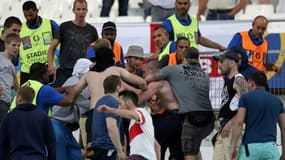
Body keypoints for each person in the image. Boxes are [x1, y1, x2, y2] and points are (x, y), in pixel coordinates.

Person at [145, 47, 215, 160]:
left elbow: (150, 78)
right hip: (209, 119)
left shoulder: (174, 69)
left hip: (192, 118)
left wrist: (140, 83)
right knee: (195, 148)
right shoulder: (204, 75)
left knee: (189, 153)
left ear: (183, 57)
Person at [73, 47, 147, 144]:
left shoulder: (88, 75)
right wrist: (143, 88)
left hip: (94, 113)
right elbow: (141, 82)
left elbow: (74, 92)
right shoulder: (115, 70)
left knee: (93, 149)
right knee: (115, 147)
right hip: (112, 110)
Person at [231, 71, 285, 160]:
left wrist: (233, 147)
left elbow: (239, 122)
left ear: (251, 83)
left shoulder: (246, 98)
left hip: (250, 147)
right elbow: (284, 128)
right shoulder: (277, 101)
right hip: (271, 148)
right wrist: (284, 152)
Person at [48, 0, 98, 87]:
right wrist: (51, 65)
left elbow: (97, 51)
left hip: (84, 71)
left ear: (87, 10)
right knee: (59, 94)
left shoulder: (92, 30)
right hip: (65, 70)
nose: (81, 12)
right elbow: (52, 47)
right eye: (78, 9)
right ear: (73, 10)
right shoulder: (64, 27)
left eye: (83, 9)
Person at [140, 59, 183, 159]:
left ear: (151, 70)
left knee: (153, 144)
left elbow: (138, 99)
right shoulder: (169, 81)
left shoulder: (156, 83)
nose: (143, 75)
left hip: (171, 118)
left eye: (144, 72)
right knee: (176, 152)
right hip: (179, 119)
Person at [97, 90, 160, 160]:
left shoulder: (141, 111)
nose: (119, 107)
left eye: (120, 104)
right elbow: (157, 146)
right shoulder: (135, 123)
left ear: (128, 103)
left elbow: (134, 115)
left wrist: (111, 110)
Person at [51, 58, 93, 160]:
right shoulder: (75, 83)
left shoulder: (75, 80)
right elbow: (85, 103)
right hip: (58, 125)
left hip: (65, 127)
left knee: (76, 155)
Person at [0, 86, 56, 160]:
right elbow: (51, 143)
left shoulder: (9, 117)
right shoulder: (43, 117)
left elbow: (2, 144)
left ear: (19, 98)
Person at [213, 51, 248, 160]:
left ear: (232, 62)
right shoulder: (229, 80)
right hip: (223, 129)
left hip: (232, 128)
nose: (219, 65)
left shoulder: (238, 79)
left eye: (222, 61)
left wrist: (230, 123)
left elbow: (246, 105)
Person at [9, 62, 76, 115]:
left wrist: (64, 89)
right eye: (47, 73)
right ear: (43, 75)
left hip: (16, 122)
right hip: (33, 125)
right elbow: (68, 101)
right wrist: (72, 90)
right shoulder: (44, 90)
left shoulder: (25, 85)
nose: (48, 76)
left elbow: (47, 92)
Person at [19, 1, 59, 85]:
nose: (28, 18)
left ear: (37, 11)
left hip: (46, 69)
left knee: (47, 95)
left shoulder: (50, 24)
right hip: (27, 72)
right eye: (26, 16)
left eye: (31, 15)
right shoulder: (20, 28)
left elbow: (61, 41)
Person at [89, 75, 125, 160]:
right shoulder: (112, 102)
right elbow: (111, 126)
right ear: (118, 87)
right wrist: (120, 151)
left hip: (95, 148)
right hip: (106, 148)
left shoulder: (99, 102)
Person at [0, 33, 20, 122]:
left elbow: (16, 85)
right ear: (6, 44)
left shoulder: (11, 65)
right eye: (13, 45)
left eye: (19, 45)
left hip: (6, 101)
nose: (16, 48)